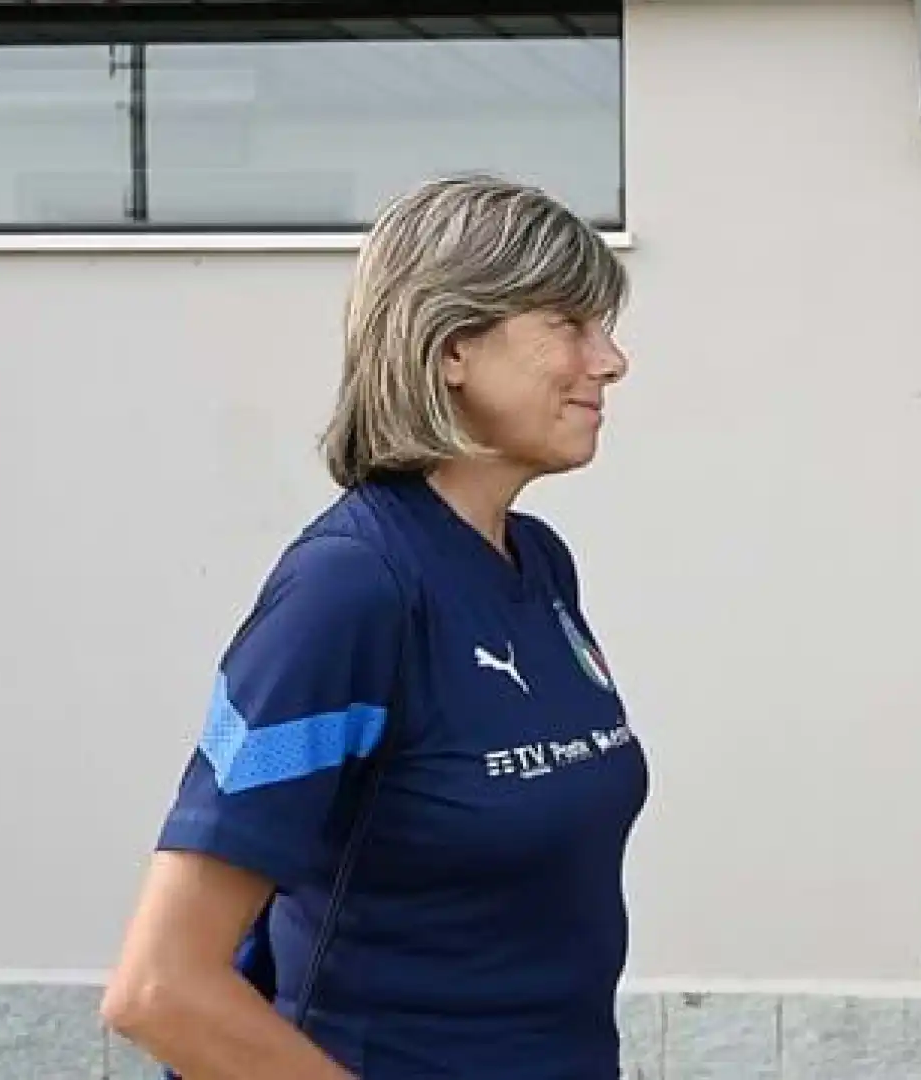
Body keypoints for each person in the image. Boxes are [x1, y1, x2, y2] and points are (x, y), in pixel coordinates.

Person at [101, 174, 647, 1079]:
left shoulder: (538, 564)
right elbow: (162, 989)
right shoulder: (351, 589)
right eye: (568, 323)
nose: (611, 359)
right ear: (451, 348)